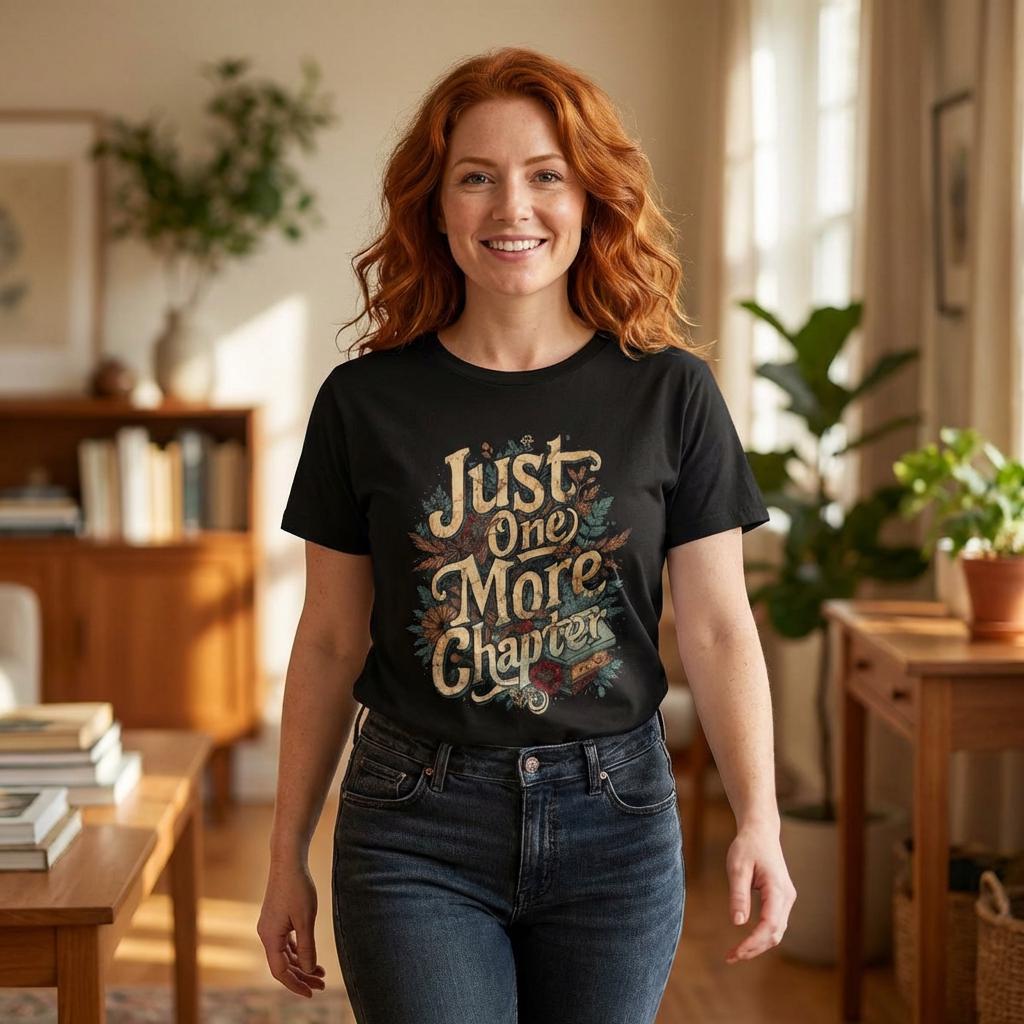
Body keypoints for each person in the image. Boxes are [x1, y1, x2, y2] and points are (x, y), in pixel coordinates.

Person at [257, 45, 796, 1024]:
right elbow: (331, 636)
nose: (512, 207)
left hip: (617, 822)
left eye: (545, 175)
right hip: (412, 822)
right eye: (477, 177)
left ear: (590, 198)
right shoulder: (363, 402)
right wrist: (285, 848)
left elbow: (718, 628)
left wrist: (757, 814)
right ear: (437, 205)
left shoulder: (670, 391)